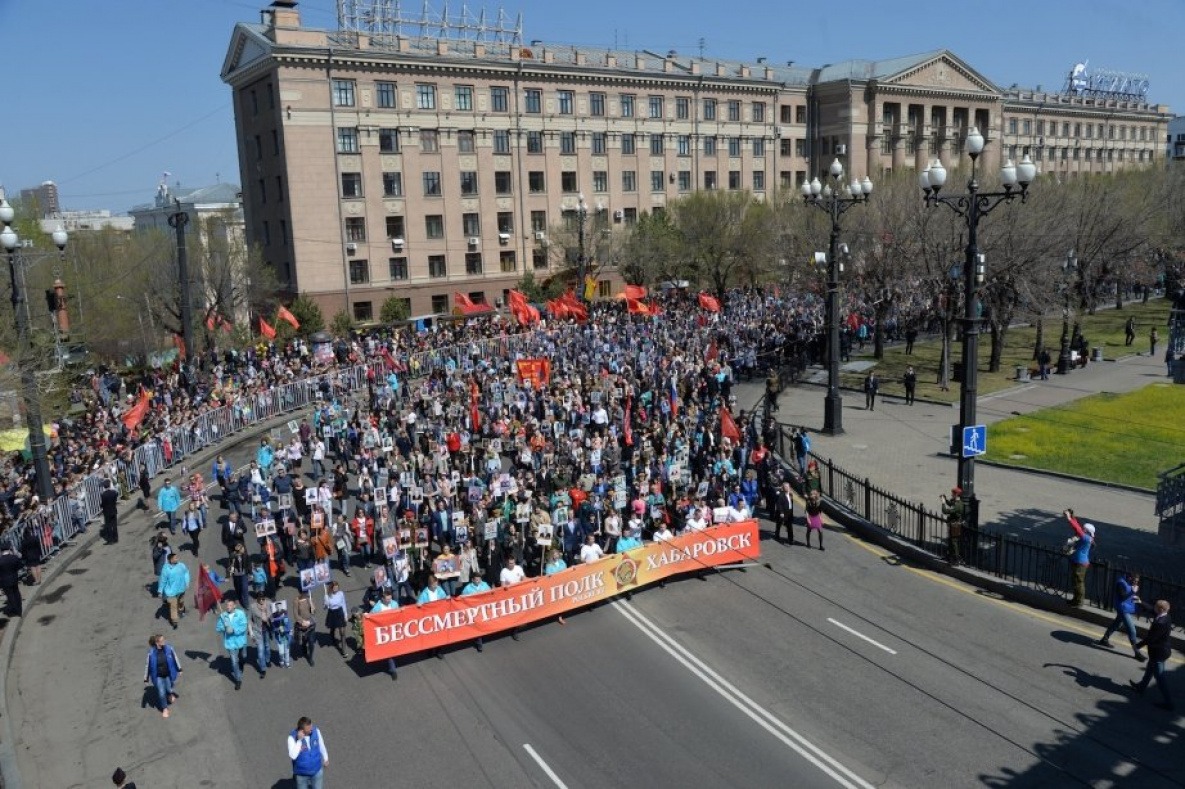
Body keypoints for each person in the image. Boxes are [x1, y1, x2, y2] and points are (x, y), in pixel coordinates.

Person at [1128, 599, 1175, 711]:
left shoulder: (1160, 623)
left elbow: (1150, 639)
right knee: (1150, 669)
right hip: (1161, 651)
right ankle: (1141, 687)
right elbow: (1151, 609)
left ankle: (1169, 703)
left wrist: (1137, 646)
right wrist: (1140, 601)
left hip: (1159, 653)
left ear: (1160, 609)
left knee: (1160, 677)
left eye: (1156, 607)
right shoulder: (1166, 616)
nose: (1153, 608)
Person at [1098, 572, 1146, 662]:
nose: (1136, 583)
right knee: (1132, 630)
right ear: (1130, 578)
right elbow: (1122, 597)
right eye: (1135, 581)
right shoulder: (1120, 583)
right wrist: (1132, 591)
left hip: (1126, 608)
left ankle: (1104, 639)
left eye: (1137, 582)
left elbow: (1130, 595)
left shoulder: (1131, 583)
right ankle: (1137, 653)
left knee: (1117, 624)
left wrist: (1138, 602)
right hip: (1122, 609)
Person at [143, 633, 183, 718]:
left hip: (168, 674)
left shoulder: (169, 649)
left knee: (169, 688)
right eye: (162, 640)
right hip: (158, 676)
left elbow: (175, 658)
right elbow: (148, 666)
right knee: (161, 693)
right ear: (157, 643)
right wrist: (146, 678)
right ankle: (165, 708)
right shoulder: (151, 653)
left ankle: (170, 694)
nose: (164, 641)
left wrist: (179, 669)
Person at [215, 598, 249, 690]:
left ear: (234, 606)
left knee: (244, 656)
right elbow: (218, 628)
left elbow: (244, 626)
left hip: (240, 640)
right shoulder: (223, 616)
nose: (228, 607)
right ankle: (238, 680)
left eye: (230, 605)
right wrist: (224, 626)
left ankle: (242, 662)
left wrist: (234, 630)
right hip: (230, 643)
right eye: (227, 605)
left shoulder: (240, 614)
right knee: (234, 662)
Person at [287, 716, 329, 789]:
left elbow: (321, 745)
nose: (311, 729)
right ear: (302, 730)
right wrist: (299, 741)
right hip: (301, 774)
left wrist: (326, 758)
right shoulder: (292, 738)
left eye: (311, 726)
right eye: (309, 729)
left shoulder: (316, 731)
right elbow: (293, 756)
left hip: (317, 771)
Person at [1064, 509, 1094, 607]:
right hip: (1078, 561)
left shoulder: (1086, 538)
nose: (1083, 530)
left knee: (1078, 583)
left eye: (1084, 529)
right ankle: (1075, 600)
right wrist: (1073, 517)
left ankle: (1079, 602)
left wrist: (1069, 518)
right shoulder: (1087, 537)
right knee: (1075, 582)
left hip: (1081, 563)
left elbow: (1077, 529)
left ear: (1088, 531)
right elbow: (1078, 528)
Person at [368, 588, 399, 679]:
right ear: (382, 599)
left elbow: (399, 614)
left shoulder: (394, 604)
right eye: (387, 599)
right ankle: (393, 670)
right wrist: (366, 615)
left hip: (393, 630)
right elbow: (371, 616)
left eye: (390, 598)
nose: (389, 601)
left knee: (393, 649)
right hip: (384, 632)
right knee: (389, 652)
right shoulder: (378, 607)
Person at [157, 552, 190, 629]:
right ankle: (175, 621)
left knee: (181, 602)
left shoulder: (181, 565)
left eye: (177, 557)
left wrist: (187, 582)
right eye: (175, 558)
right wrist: (160, 591)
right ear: (170, 560)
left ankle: (181, 610)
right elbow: (162, 580)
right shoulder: (166, 569)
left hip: (181, 589)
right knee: (173, 606)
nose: (177, 559)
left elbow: (186, 573)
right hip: (171, 592)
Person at [460, 573, 491, 651]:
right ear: (472, 580)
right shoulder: (467, 588)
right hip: (474, 610)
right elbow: (462, 598)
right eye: (476, 579)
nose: (478, 581)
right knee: (477, 626)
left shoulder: (485, 585)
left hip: (484, 608)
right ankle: (479, 643)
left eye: (479, 579)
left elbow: (491, 593)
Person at [499, 556, 526, 641]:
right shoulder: (503, 571)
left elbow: (523, 578)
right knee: (513, 614)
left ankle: (516, 628)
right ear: (507, 563)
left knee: (520, 612)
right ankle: (514, 631)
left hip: (519, 594)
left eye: (513, 563)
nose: (512, 565)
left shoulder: (518, 568)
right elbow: (502, 586)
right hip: (510, 596)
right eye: (510, 563)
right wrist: (507, 586)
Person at [323, 580, 349, 657]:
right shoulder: (327, 596)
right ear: (331, 588)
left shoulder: (341, 593)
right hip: (332, 613)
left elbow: (343, 604)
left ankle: (344, 651)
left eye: (337, 587)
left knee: (342, 632)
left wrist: (345, 615)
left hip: (340, 612)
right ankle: (332, 637)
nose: (336, 589)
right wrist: (326, 603)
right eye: (334, 588)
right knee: (333, 628)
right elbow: (324, 608)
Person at [941, 488, 965, 565]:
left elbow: (945, 511)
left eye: (953, 494)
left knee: (954, 542)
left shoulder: (958, 505)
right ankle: (950, 556)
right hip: (952, 524)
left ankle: (956, 559)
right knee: (950, 541)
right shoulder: (955, 502)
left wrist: (943, 503)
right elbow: (950, 503)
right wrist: (946, 499)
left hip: (955, 525)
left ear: (956, 495)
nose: (951, 495)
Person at [0, 545, 24, 617]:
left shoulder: (0, 561)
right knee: (16, 593)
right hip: (14, 578)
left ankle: (15, 610)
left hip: (4, 581)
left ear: (1, 551)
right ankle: (19, 609)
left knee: (10, 595)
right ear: (9, 549)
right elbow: (20, 566)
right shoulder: (14, 557)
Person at [100, 479, 121, 544]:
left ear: (104, 486)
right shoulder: (114, 492)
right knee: (114, 525)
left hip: (107, 512)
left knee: (108, 526)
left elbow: (103, 504)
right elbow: (115, 499)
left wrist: (101, 506)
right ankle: (116, 538)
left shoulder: (103, 494)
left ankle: (110, 540)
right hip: (113, 510)